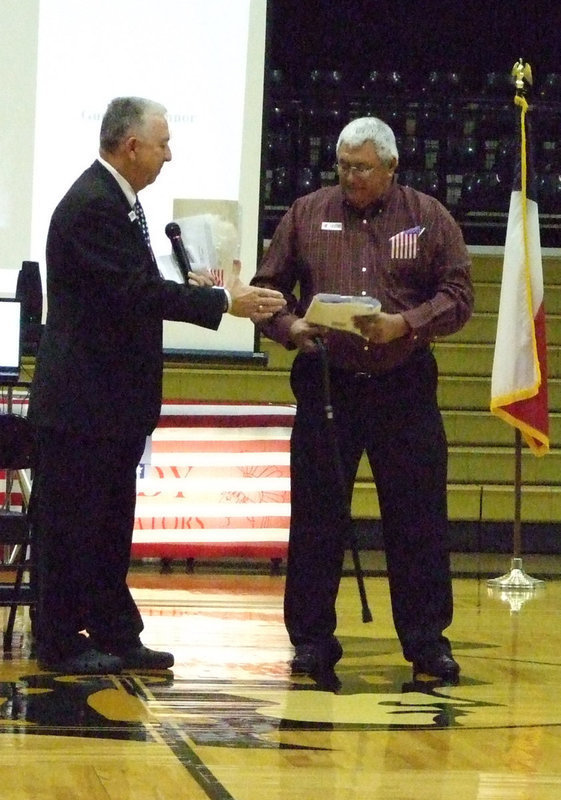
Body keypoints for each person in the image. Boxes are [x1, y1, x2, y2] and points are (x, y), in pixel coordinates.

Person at [28, 96, 285, 674]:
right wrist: (224, 300)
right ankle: (62, 640)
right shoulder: (94, 205)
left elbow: (132, 287)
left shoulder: (119, 203)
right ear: (132, 146)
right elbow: (135, 294)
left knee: (107, 524)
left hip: (107, 403)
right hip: (82, 403)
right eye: (164, 143)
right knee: (72, 527)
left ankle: (116, 632)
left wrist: (195, 284)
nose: (171, 154)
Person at [251, 116, 473, 684]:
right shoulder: (305, 213)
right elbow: (267, 291)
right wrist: (290, 326)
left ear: (392, 167)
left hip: (404, 385)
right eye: (344, 166)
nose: (351, 177)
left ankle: (427, 640)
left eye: (363, 168)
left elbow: (459, 295)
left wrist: (405, 324)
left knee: (418, 517)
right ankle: (311, 640)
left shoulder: (427, 217)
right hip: (330, 386)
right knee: (318, 518)